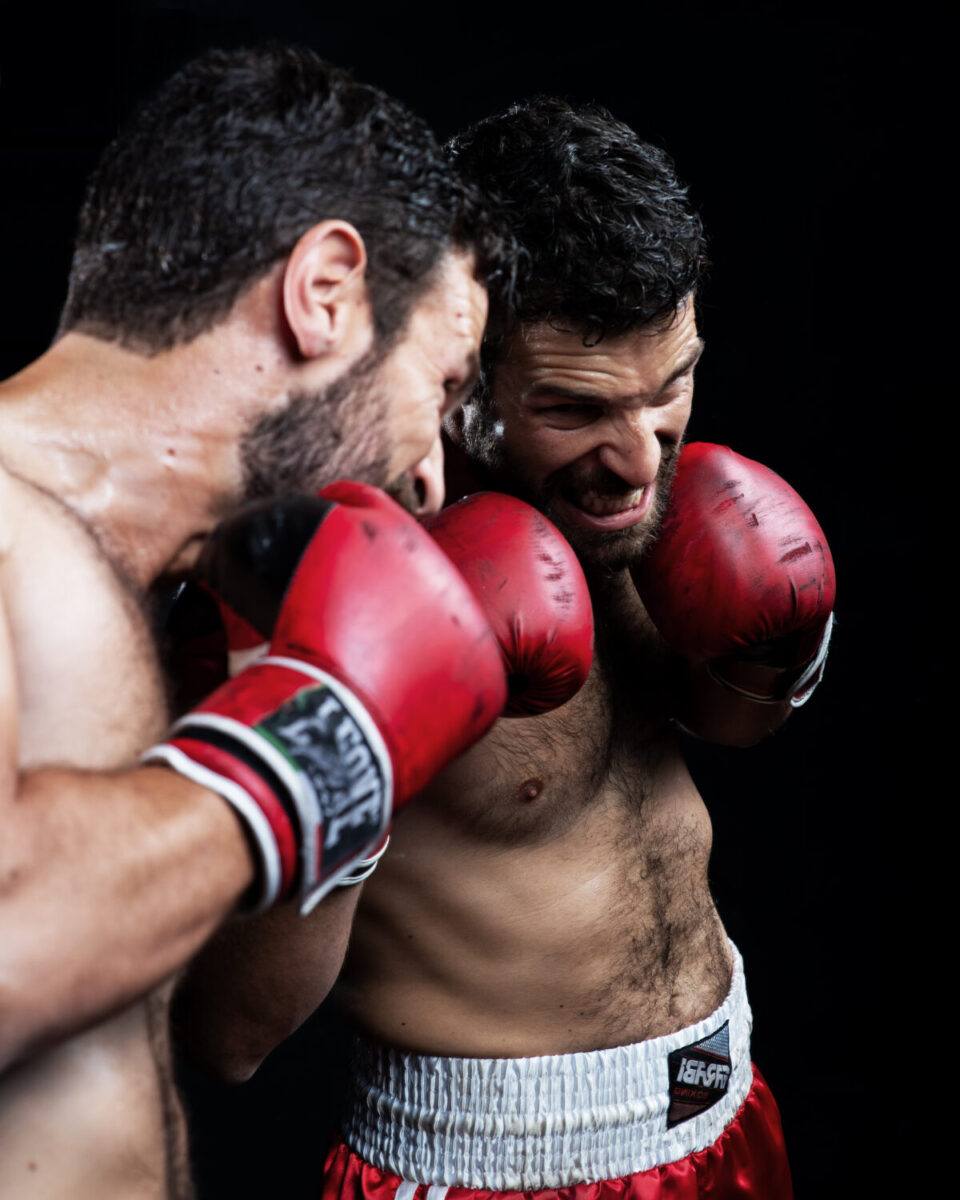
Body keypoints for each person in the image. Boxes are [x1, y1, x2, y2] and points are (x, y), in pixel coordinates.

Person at [178, 99, 835, 1197]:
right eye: (575, 408)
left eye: (671, 387)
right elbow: (229, 1033)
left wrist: (779, 648)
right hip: (494, 1172)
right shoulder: (321, 577)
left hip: (727, 1120)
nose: (640, 457)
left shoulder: (627, 501)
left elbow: (722, 724)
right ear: (463, 371)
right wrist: (362, 726)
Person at [0, 43, 530, 1200]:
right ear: (323, 293)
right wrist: (325, 741)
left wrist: (341, 732)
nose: (433, 478)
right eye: (442, 388)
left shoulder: (155, 590)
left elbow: (233, 1037)